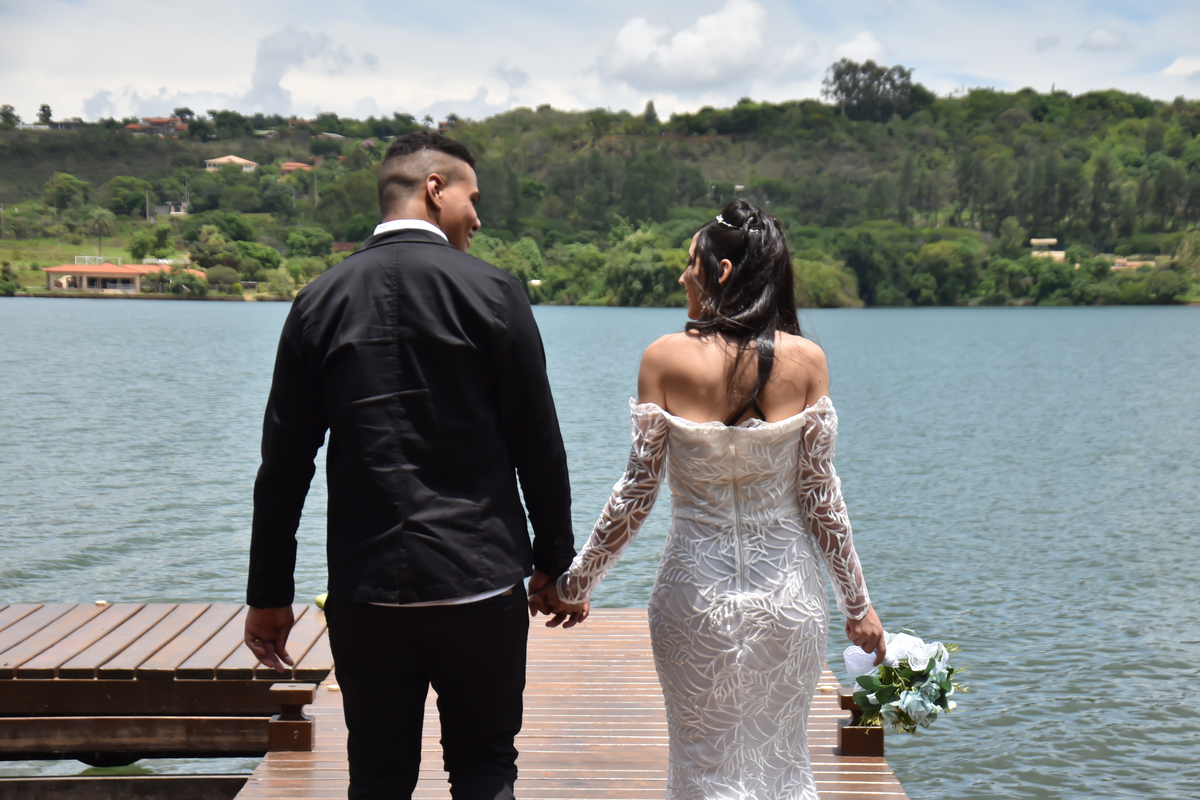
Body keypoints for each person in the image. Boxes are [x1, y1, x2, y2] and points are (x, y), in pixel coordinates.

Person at [243, 130, 584, 800]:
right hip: (479, 583)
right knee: (485, 766)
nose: (477, 218)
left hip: (368, 590)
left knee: (377, 776)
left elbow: (284, 464)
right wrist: (554, 561)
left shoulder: (318, 300)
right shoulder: (495, 292)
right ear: (435, 189)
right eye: (472, 198)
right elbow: (537, 442)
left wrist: (269, 593)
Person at [532, 199, 886, 799]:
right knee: (782, 765)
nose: (682, 277)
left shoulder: (664, 358)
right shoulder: (807, 361)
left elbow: (636, 493)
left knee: (702, 766)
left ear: (720, 272)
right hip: (789, 600)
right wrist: (858, 607)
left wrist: (576, 583)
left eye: (690, 263)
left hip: (694, 596)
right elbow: (822, 500)